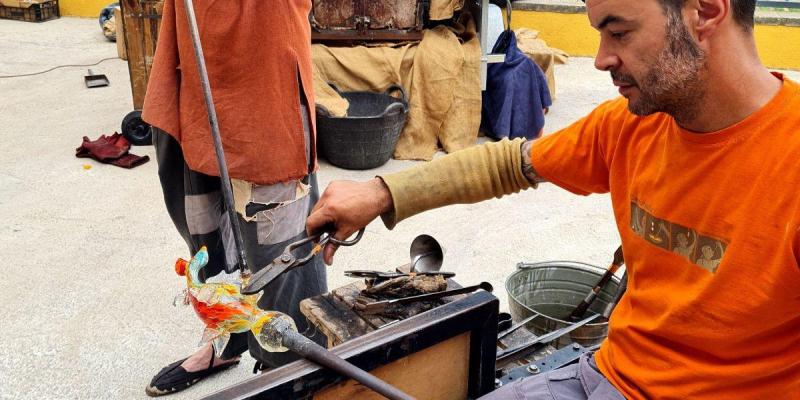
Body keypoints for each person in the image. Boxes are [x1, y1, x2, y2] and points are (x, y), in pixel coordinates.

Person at [307, 0, 800, 398]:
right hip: (608, 376)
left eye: (619, 31)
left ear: (706, 11)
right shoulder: (631, 126)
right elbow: (507, 164)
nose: (602, 57)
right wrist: (379, 192)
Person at [141, 0, 326, 396]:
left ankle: (291, 370)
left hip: (263, 48)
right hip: (194, 46)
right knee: (202, 226)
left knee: (281, 246)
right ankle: (227, 337)